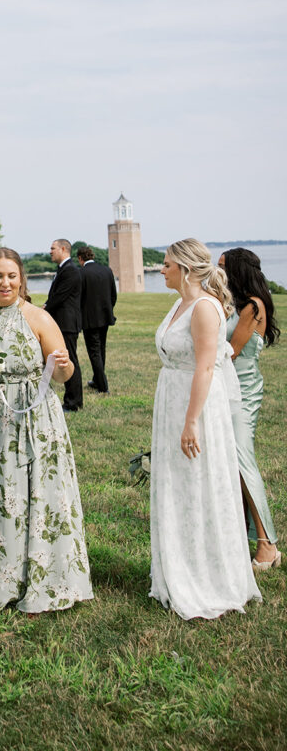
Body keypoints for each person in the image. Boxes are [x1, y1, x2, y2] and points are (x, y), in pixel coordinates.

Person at [0, 247, 92, 614]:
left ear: (22, 280)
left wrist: (63, 366)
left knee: (34, 492)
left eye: (12, 276)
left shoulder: (38, 318)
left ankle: (42, 574)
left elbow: (64, 375)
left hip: (33, 420)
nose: (6, 283)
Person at [150, 239, 261, 619]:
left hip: (195, 403)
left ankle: (207, 574)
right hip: (172, 397)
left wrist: (192, 421)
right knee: (176, 483)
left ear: (184, 268)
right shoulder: (178, 303)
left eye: (166, 264)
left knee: (198, 481)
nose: (161, 269)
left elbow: (206, 367)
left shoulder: (204, 307)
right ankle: (176, 566)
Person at [219, 247, 281, 571]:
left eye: (222, 268)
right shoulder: (232, 303)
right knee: (230, 462)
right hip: (225, 388)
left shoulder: (254, 306)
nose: (217, 273)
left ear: (237, 271)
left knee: (243, 462)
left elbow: (232, 350)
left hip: (243, 391)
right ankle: (239, 535)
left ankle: (268, 545)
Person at [44, 238, 83, 412]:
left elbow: (59, 297)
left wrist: (43, 310)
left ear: (63, 249)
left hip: (67, 323)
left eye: (53, 248)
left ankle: (73, 402)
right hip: (62, 322)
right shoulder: (63, 269)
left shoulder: (71, 271)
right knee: (65, 360)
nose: (50, 251)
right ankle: (71, 399)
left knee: (70, 361)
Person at [77, 246, 117, 394]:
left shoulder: (82, 273)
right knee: (101, 350)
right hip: (106, 317)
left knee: (94, 352)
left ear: (80, 258)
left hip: (90, 320)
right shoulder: (107, 270)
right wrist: (108, 309)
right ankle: (96, 379)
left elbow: (79, 298)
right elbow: (113, 294)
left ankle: (102, 386)